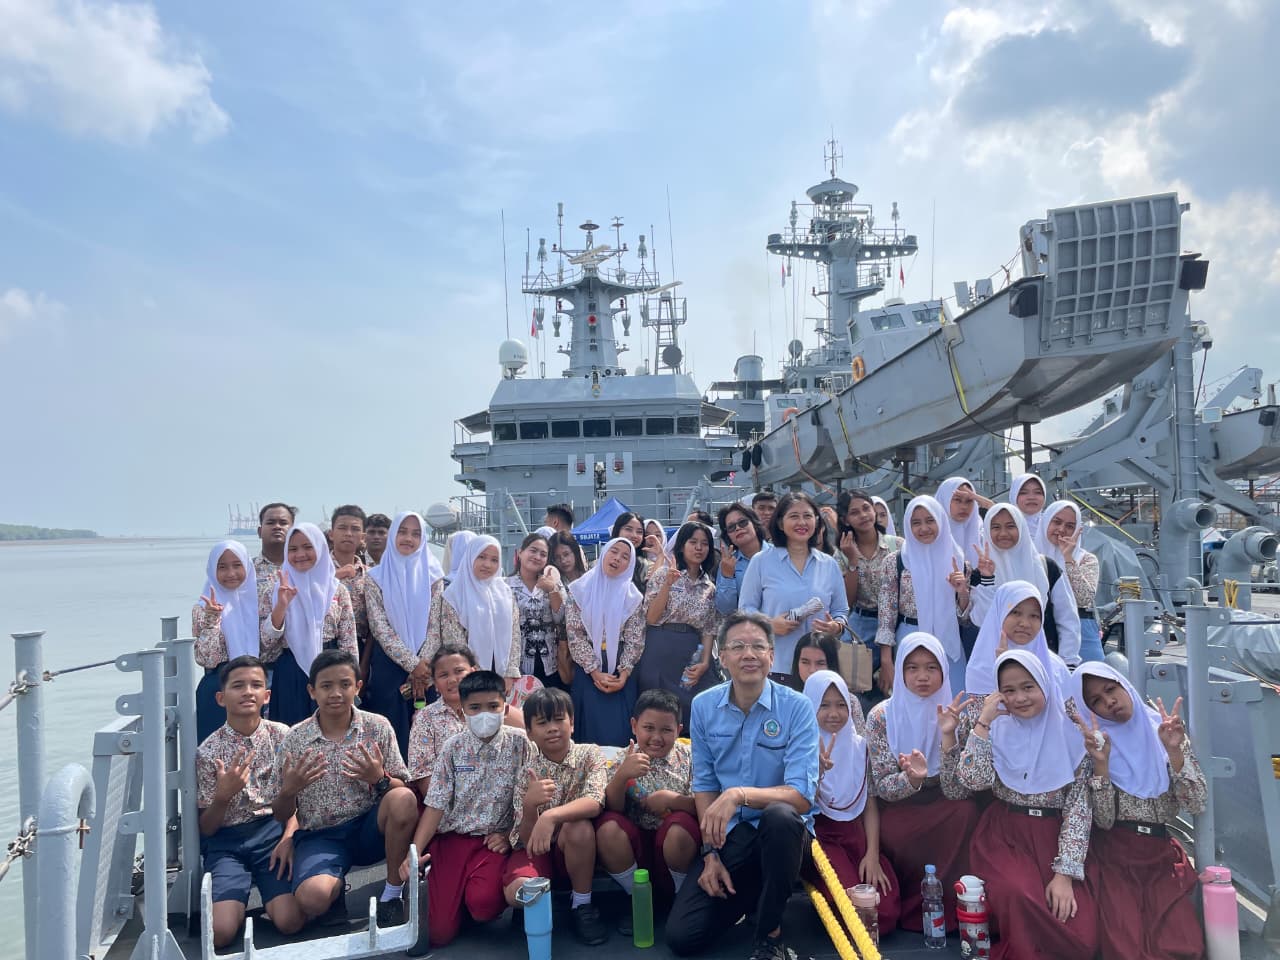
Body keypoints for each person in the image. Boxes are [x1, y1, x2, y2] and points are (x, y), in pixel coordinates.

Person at [665, 611, 819, 960]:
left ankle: (769, 933)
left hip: (785, 838)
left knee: (780, 817)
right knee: (682, 937)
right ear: (722, 657)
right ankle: (757, 897)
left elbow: (800, 797)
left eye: (758, 647)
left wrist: (738, 795)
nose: (749, 654)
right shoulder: (704, 706)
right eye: (737, 647)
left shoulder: (796, 707)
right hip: (732, 835)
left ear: (771, 656)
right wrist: (710, 853)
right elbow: (705, 783)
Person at [958, 650, 1098, 960]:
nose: (1019, 698)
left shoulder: (1073, 738)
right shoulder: (997, 730)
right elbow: (972, 780)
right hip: (1004, 836)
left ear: (1046, 685)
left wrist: (1064, 875)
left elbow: (1078, 809)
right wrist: (984, 722)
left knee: (1081, 937)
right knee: (1019, 894)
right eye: (1008, 690)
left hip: (1053, 839)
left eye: (1028, 687)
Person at [269, 650, 419, 928]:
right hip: (321, 836)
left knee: (402, 799)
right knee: (312, 899)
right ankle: (333, 890)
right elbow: (279, 813)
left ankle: (391, 895)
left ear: (358, 687)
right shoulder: (295, 739)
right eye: (326, 686)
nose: (336, 693)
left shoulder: (377, 727)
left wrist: (379, 778)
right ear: (312, 691)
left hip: (368, 828)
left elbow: (403, 788)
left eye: (345, 684)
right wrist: (290, 791)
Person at [1073, 663, 1207, 960]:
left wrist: (1175, 751)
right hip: (1115, 860)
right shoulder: (1097, 747)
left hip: (1160, 859)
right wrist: (1102, 765)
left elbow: (1196, 803)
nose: (1109, 701)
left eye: (1111, 689)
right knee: (1126, 947)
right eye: (1096, 701)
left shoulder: (1164, 732)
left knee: (1184, 946)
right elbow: (1104, 821)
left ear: (1125, 685)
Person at [865, 633, 980, 932]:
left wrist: (948, 736)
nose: (922, 677)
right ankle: (911, 907)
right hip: (901, 806)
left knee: (965, 813)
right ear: (900, 671)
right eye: (912, 668)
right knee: (896, 830)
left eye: (931, 667)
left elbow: (957, 790)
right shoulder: (881, 716)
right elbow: (882, 786)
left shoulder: (957, 715)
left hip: (944, 801)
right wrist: (911, 779)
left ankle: (951, 909)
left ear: (944, 669)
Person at [404, 669, 528, 947]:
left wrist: (509, 834)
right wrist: (414, 854)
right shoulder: (452, 748)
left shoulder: (521, 744)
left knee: (483, 904)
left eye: (493, 706)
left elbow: (529, 798)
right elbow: (435, 804)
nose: (485, 714)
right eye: (475, 708)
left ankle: (470, 902)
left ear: (505, 706)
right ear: (462, 709)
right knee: (437, 933)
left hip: (492, 842)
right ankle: (445, 897)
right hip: (452, 840)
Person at [196, 656, 302, 947]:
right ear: (221, 698)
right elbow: (206, 828)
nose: (247, 692)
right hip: (227, 842)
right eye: (238, 686)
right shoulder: (208, 752)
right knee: (219, 934)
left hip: (272, 834)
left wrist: (289, 837)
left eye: (256, 685)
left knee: (290, 921)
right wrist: (223, 796)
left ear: (266, 696)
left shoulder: (282, 736)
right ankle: (234, 903)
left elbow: (298, 798)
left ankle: (272, 898)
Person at [502, 687, 610, 944]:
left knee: (578, 826)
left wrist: (551, 816)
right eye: (542, 723)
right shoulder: (527, 771)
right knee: (514, 893)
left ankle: (582, 905)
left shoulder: (589, 754)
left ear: (572, 723)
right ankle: (537, 907)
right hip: (538, 851)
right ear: (529, 732)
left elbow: (595, 800)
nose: (552, 728)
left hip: (578, 850)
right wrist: (530, 806)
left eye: (559, 719)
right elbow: (525, 840)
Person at [801, 669, 899, 939]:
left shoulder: (860, 748)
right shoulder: (802, 748)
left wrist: (872, 854)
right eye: (824, 705)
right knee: (854, 909)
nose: (834, 714)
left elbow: (869, 804)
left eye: (841, 704)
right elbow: (801, 805)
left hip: (856, 838)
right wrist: (816, 771)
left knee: (885, 909)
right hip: (823, 839)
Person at [597, 689, 700, 917]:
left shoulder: (691, 757)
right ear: (634, 726)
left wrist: (672, 799)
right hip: (636, 846)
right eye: (649, 728)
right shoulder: (623, 758)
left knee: (680, 826)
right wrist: (622, 776)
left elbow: (702, 805)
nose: (656, 737)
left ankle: (680, 897)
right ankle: (637, 898)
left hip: (676, 846)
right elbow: (613, 808)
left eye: (666, 730)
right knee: (608, 827)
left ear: (679, 730)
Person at [739, 491, 849, 682]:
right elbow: (745, 608)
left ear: (816, 521)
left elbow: (841, 610)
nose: (802, 522)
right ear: (780, 523)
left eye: (807, 516)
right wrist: (769, 624)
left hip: (820, 668)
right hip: (777, 665)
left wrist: (835, 627)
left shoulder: (829, 564)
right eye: (794, 516)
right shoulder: (762, 561)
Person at [364, 512, 445, 760]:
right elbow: (380, 627)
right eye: (402, 531)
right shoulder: (375, 577)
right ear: (393, 535)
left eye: (416, 533)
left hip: (427, 668)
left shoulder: (434, 576)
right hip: (389, 667)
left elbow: (435, 624)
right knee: (391, 731)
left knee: (427, 730)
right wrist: (413, 665)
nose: (408, 538)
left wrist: (423, 665)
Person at [262, 522, 358, 726]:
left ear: (320, 548)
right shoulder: (275, 590)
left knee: (334, 733)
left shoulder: (337, 590)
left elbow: (349, 641)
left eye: (308, 547)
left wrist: (350, 679)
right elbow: (265, 646)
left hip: (332, 671)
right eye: (293, 549)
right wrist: (281, 606)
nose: (300, 554)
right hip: (291, 672)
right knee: (291, 733)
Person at [876, 495, 971, 695]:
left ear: (941, 521)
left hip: (948, 641)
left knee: (953, 699)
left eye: (930, 520)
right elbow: (886, 617)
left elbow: (964, 619)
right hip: (910, 638)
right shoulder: (895, 562)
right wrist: (886, 661)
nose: (924, 528)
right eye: (916, 523)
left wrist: (962, 592)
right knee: (913, 699)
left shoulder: (958, 562)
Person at [406, 643, 524, 800]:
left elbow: (533, 733)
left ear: (473, 672)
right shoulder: (426, 718)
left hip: (500, 799)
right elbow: (424, 776)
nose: (452, 680)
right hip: (448, 803)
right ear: (435, 683)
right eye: (444, 675)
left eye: (459, 671)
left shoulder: (496, 708)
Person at [971, 504, 1081, 665]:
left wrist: (1068, 661)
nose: (1003, 533)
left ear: (1021, 527)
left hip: (1044, 660)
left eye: (1010, 526)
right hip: (997, 662)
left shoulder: (1046, 568)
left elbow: (1067, 618)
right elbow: (981, 620)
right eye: (996, 527)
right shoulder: (980, 574)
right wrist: (987, 579)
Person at [193, 541, 280, 743]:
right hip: (219, 688)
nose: (230, 573)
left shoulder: (259, 602)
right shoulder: (203, 607)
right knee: (218, 751)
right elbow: (208, 658)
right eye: (222, 567)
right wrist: (212, 619)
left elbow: (268, 646)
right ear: (212, 570)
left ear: (247, 566)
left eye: (237, 565)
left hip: (257, 685)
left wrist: (280, 608)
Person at [564, 537, 646, 747]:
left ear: (630, 564)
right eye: (614, 551)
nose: (617, 558)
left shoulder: (632, 597)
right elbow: (575, 634)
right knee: (589, 733)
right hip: (588, 669)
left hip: (621, 671)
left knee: (621, 732)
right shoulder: (579, 590)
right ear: (604, 553)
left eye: (625, 556)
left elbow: (635, 639)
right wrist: (595, 671)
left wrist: (624, 674)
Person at [640, 521, 721, 719]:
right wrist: (668, 585)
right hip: (661, 645)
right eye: (693, 542)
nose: (699, 547)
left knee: (693, 706)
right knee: (659, 707)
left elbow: (709, 628)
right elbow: (651, 617)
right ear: (682, 545)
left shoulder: (709, 587)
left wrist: (705, 661)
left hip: (692, 650)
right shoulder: (662, 574)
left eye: (704, 543)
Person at [428, 535, 521, 688]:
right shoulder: (454, 595)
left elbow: (515, 635)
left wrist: (510, 672)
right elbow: (454, 641)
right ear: (470, 557)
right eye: (481, 557)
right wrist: (474, 673)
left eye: (494, 560)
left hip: (503, 676)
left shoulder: (505, 593)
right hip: (469, 677)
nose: (487, 564)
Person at [965, 580, 1072, 711]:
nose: (1025, 624)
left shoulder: (1055, 666)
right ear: (1000, 613)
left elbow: (1072, 717)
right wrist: (1002, 668)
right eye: (1016, 613)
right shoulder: (981, 668)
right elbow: (981, 719)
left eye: (1034, 616)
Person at [836, 491, 900, 691]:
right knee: (853, 683)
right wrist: (852, 560)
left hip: (897, 621)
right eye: (854, 512)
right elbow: (848, 601)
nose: (863, 515)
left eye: (866, 508)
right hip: (863, 623)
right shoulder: (841, 553)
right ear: (845, 520)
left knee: (896, 684)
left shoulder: (896, 545)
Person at [1035, 501, 1104, 662]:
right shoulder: (1031, 556)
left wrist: (1068, 558)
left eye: (1070, 526)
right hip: (1040, 627)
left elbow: (1084, 598)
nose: (1061, 529)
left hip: (1082, 631)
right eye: (1056, 522)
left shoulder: (1086, 559)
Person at [507, 532, 568, 690]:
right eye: (533, 551)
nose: (537, 557)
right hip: (516, 663)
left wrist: (552, 590)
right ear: (520, 553)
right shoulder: (505, 585)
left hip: (550, 662)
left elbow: (562, 618)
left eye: (543, 554)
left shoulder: (554, 583)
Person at [330, 506, 372, 660]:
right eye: (342, 528)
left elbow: (375, 625)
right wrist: (334, 576)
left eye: (355, 529)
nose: (348, 533)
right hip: (323, 645)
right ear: (331, 534)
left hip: (360, 648)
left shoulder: (371, 576)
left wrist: (364, 663)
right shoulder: (315, 571)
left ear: (363, 537)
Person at [715, 502, 770, 615]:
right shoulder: (728, 563)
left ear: (754, 523)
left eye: (743, 522)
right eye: (731, 527)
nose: (738, 528)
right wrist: (727, 577)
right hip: (748, 623)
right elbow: (726, 610)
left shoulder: (779, 555)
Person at [612, 511, 656, 589]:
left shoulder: (647, 566)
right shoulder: (602, 563)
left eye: (639, 532)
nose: (634, 535)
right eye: (628, 529)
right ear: (617, 530)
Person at [255, 502, 297, 584]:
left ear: (293, 531)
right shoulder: (247, 569)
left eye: (283, 523)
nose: (277, 527)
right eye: (270, 523)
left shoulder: (303, 566)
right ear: (260, 532)